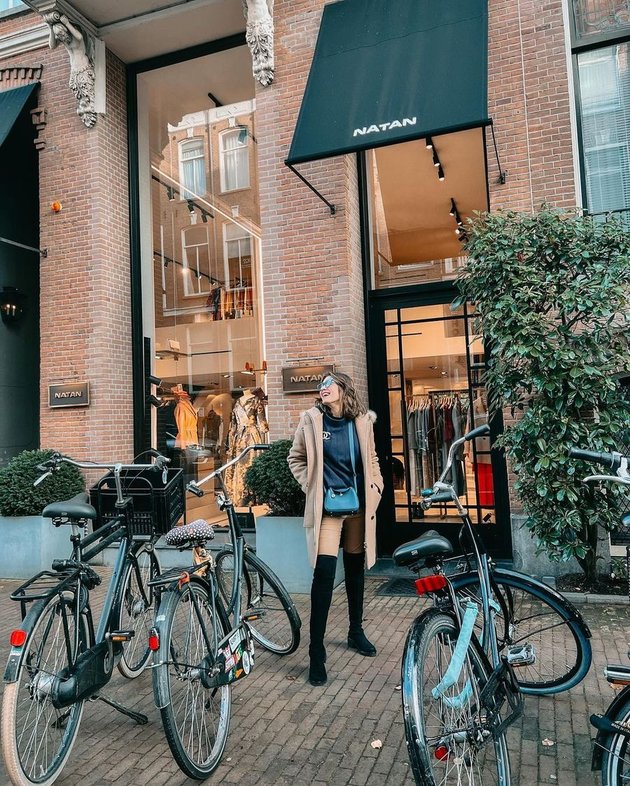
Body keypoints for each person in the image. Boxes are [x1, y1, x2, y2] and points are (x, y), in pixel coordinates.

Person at [288, 371, 383, 686]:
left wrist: (377, 486)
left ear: (344, 388)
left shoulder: (362, 422)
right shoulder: (312, 420)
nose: (323, 388)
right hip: (328, 509)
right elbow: (295, 459)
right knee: (324, 575)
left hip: (358, 507)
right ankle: (316, 651)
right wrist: (312, 487)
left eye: (329, 383)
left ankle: (356, 631)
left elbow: (372, 461)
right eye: (321, 385)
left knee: (355, 568)